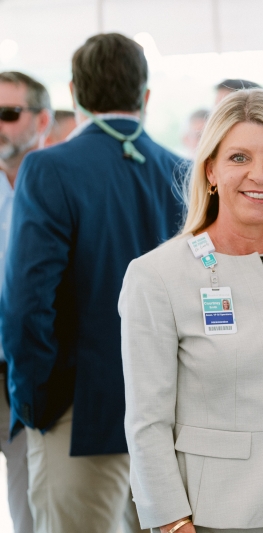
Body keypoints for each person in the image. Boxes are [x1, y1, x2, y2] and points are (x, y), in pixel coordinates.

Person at [120, 89, 263, 533]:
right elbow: (147, 422)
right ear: (211, 171)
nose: (260, 175)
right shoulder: (157, 276)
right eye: (239, 158)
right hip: (211, 515)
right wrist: (172, 522)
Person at [0, 33, 184, 533]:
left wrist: (35, 404)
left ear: (74, 93)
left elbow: (25, 304)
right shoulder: (182, 171)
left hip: (77, 411)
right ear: (145, 97)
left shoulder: (48, 167)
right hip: (173, 412)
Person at [0, 70, 51, 533]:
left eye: (8, 113)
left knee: (31, 511)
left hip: (33, 375)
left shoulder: (60, 186)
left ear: (42, 119)